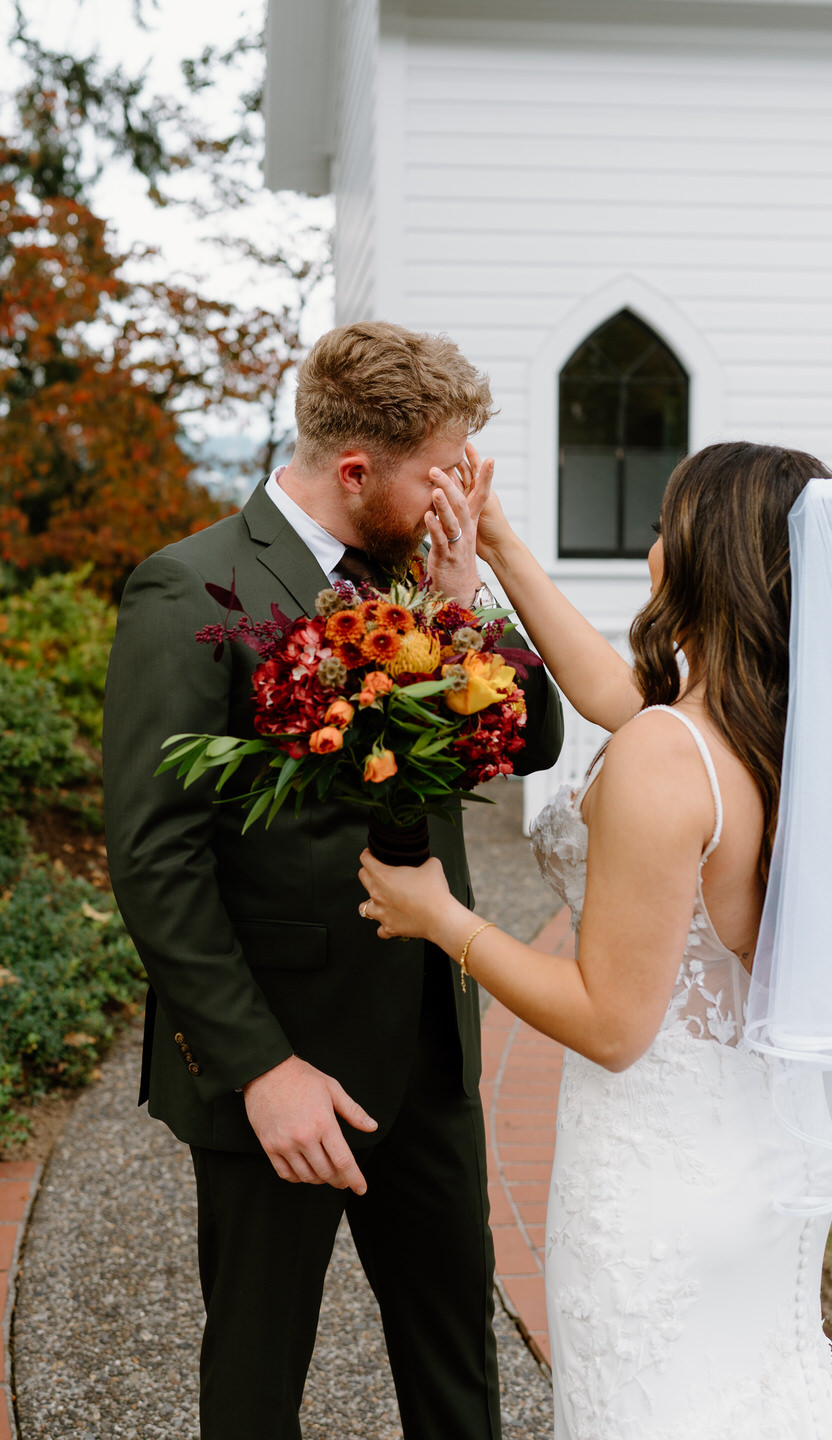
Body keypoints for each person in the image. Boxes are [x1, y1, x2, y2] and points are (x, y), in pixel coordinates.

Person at [360, 439, 832, 1438]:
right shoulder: (775, 738)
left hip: (657, 1184)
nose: (649, 548)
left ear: (703, 555)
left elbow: (611, 1023)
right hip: (762, 1162)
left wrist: (444, 919)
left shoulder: (666, 757)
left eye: (662, 527)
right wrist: (499, 544)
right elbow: (614, 693)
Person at [101, 320, 564, 1440]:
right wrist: (260, 1071)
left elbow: (535, 738)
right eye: (443, 474)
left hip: (428, 1052)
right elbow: (155, 857)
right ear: (357, 471)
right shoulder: (190, 590)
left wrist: (468, 600)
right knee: (257, 1384)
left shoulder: (426, 578)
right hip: (284, 1068)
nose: (463, 494)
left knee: (460, 1374)